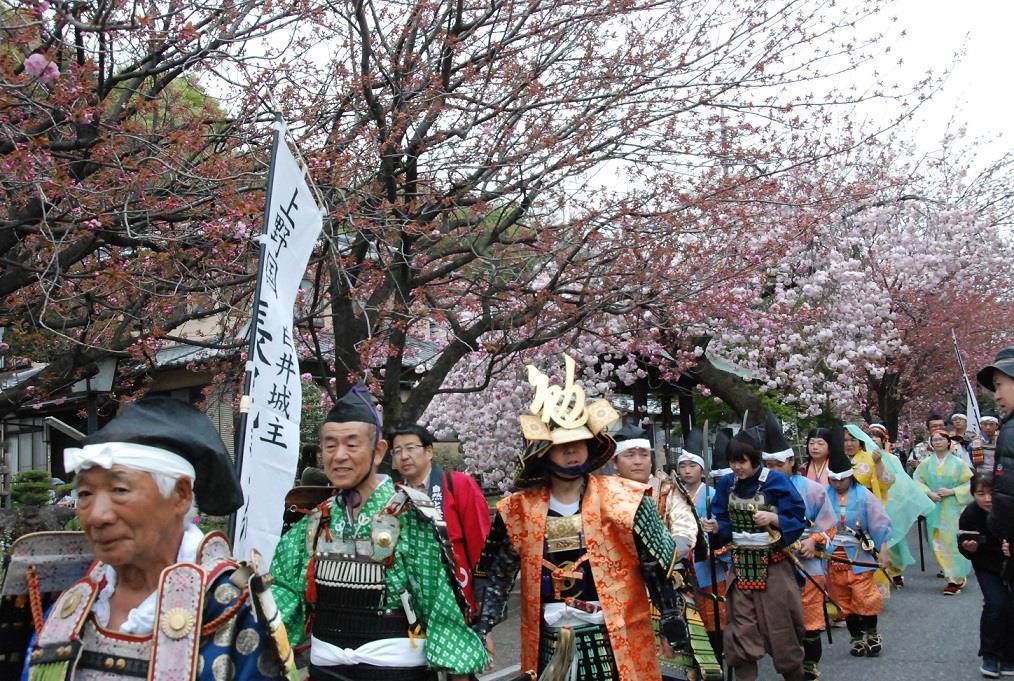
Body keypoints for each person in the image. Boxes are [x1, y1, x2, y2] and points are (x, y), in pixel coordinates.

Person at [22, 396, 292, 681]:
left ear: (181, 496)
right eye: (86, 494)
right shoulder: (73, 606)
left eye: (120, 490)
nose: (97, 516)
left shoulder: (231, 607)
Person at [471, 355, 689, 681]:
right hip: (551, 638)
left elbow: (656, 566)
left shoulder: (626, 499)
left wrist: (671, 616)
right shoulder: (517, 510)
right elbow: (497, 577)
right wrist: (481, 626)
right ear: (544, 452)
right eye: (562, 445)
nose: (572, 451)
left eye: (578, 443)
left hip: (614, 638)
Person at [270, 385, 488, 681]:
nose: (339, 456)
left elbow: (438, 601)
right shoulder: (316, 519)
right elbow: (284, 588)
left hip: (395, 671)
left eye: (352, 444)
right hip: (325, 669)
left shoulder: (410, 514)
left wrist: (460, 669)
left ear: (378, 451)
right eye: (330, 445)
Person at [701, 423, 807, 681]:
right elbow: (724, 520)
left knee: (781, 630)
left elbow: (797, 516)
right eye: (733, 462)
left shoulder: (776, 480)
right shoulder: (727, 483)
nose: (737, 467)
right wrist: (716, 527)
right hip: (740, 568)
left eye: (742, 461)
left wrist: (773, 518)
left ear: (755, 460)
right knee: (740, 631)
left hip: (773, 564)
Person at [616, 425, 715, 680]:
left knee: (678, 670)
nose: (638, 461)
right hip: (620, 591)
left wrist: (662, 554)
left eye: (643, 454)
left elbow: (686, 531)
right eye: (630, 455)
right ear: (615, 460)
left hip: (668, 584)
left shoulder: (668, 490)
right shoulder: (605, 495)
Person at [761, 413, 836, 681]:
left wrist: (812, 540)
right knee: (782, 619)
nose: (773, 468)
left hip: (807, 562)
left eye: (778, 463)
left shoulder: (814, 490)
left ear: (791, 461)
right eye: (768, 464)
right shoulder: (759, 491)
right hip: (774, 562)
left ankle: (809, 665)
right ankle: (789, 662)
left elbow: (829, 525)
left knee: (811, 619)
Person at [388, 422, 491, 615]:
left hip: (457, 593)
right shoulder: (394, 496)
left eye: (411, 448)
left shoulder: (458, 484)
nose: (404, 456)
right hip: (411, 603)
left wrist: (483, 610)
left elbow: (481, 544)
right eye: (397, 451)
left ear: (429, 452)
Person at [824, 422, 892, 659]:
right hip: (834, 555)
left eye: (841, 481)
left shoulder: (864, 496)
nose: (837, 485)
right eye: (833, 481)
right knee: (844, 601)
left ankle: (872, 633)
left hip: (859, 555)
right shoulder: (824, 495)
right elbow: (814, 523)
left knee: (864, 597)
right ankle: (856, 638)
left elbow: (880, 523)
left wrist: (883, 549)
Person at [678, 428, 733, 662]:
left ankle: (718, 657)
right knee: (690, 615)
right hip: (683, 564)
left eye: (692, 465)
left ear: (702, 469)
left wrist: (716, 530)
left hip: (709, 563)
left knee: (714, 614)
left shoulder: (712, 494)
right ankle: (696, 661)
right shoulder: (674, 495)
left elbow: (726, 526)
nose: (687, 470)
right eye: (683, 466)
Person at [958, 473, 1014, 678]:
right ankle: (989, 656)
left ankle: (1009, 655)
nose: (987, 498)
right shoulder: (970, 514)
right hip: (986, 564)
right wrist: (968, 548)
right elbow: (963, 542)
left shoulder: (1009, 509)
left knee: (1011, 607)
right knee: (995, 604)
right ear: (973, 494)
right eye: (980, 493)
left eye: (991, 493)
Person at [913, 429, 973, 594]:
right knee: (936, 542)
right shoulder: (925, 464)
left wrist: (952, 491)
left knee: (952, 542)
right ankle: (950, 574)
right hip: (934, 507)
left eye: (941, 439)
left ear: (948, 442)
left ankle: (954, 578)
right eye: (935, 440)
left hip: (953, 508)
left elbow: (969, 485)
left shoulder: (959, 463)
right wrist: (929, 493)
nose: (938, 442)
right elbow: (917, 481)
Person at [977, 347, 1014, 573]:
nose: (996, 395)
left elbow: (1008, 499)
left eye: (999, 384)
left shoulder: (1011, 430)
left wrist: (997, 527)